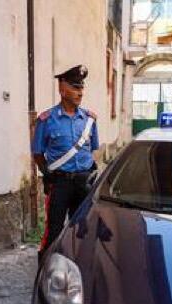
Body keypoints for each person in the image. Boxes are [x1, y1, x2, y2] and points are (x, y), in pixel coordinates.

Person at [32, 65, 99, 255]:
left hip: (84, 183)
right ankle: (45, 268)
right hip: (59, 183)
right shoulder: (46, 120)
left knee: (82, 229)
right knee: (53, 230)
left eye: (82, 88)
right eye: (76, 88)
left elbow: (92, 149)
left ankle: (77, 265)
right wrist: (48, 175)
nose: (81, 93)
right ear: (62, 89)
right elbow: (37, 153)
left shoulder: (89, 120)